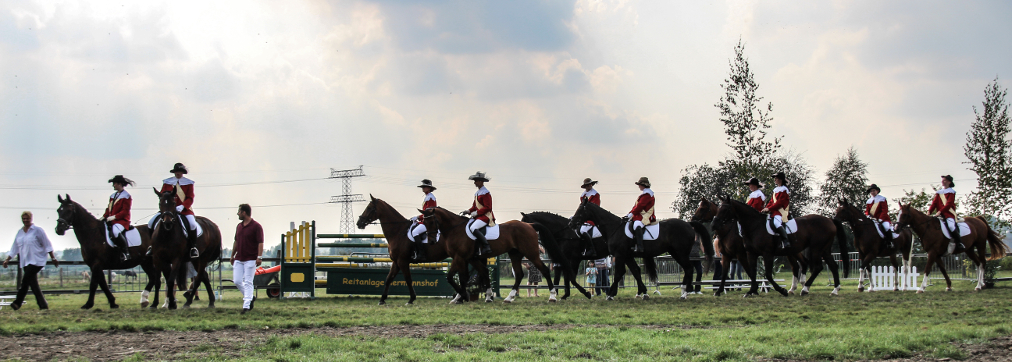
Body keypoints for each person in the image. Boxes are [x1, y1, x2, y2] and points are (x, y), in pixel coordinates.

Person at [3, 211, 59, 310]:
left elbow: (47, 244)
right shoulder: (20, 232)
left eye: (27, 218)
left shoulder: (38, 230)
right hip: (25, 261)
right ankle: (43, 305)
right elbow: (14, 248)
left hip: (37, 260)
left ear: (31, 219)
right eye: (24, 219)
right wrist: (7, 259)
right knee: (33, 284)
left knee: (25, 281)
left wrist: (53, 257)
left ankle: (17, 302)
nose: (25, 220)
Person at [149, 163, 199, 258]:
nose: (178, 173)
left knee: (192, 224)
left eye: (180, 172)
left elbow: (190, 198)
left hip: (184, 210)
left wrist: (182, 206)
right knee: (151, 223)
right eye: (176, 172)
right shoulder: (167, 182)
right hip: (168, 210)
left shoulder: (189, 183)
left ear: (182, 172)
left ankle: (193, 247)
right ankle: (152, 246)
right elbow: (163, 196)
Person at [230, 204, 263, 315]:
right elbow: (236, 241)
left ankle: (246, 306)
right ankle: (250, 297)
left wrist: (259, 257)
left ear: (244, 212)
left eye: (239, 212)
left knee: (248, 281)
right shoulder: (239, 226)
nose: (238, 214)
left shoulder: (256, 226)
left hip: (251, 258)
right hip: (239, 258)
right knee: (237, 281)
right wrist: (232, 255)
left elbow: (260, 242)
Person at [103, 175, 135, 262]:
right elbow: (109, 209)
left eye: (114, 184)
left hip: (122, 221)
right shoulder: (113, 196)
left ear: (120, 184)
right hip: (111, 220)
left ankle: (126, 252)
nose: (113, 185)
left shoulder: (126, 196)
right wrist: (103, 216)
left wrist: (114, 217)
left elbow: (125, 211)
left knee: (116, 232)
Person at [928, 175, 963, 255]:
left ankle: (959, 242)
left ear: (949, 182)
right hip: (939, 214)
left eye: (944, 180)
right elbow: (934, 203)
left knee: (951, 226)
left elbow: (949, 204)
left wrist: (940, 211)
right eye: (942, 180)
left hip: (948, 214)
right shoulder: (939, 192)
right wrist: (929, 211)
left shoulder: (951, 192)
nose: (943, 181)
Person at [462, 171, 493, 256]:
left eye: (476, 181)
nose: (475, 183)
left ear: (481, 181)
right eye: (474, 181)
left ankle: (486, 246)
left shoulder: (486, 193)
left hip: (486, 216)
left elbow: (488, 207)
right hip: (479, 216)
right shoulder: (477, 193)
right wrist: (468, 211)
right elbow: (474, 206)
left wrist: (477, 213)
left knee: (473, 227)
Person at [762, 172, 791, 251]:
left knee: (776, 223)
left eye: (776, 178)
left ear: (780, 180)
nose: (775, 180)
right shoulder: (775, 190)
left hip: (781, 211)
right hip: (774, 211)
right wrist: (766, 208)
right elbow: (771, 201)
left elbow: (780, 203)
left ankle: (785, 241)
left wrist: (769, 209)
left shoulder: (784, 190)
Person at [411, 179, 438, 261]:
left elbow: (428, 213)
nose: (423, 188)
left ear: (429, 188)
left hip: (428, 222)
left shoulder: (430, 198)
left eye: (424, 187)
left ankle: (421, 254)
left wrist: (419, 217)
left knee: (414, 232)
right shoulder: (428, 197)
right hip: (425, 220)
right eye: (423, 187)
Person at [627, 177, 656, 253]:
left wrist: (632, 214)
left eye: (639, 185)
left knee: (637, 225)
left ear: (643, 185)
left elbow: (640, 206)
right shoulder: (643, 194)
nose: (638, 186)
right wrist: (629, 214)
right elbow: (636, 206)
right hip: (639, 214)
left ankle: (640, 247)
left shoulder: (647, 194)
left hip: (646, 215)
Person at [864, 184, 894, 249]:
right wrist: (868, 215)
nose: (872, 192)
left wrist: (881, 219)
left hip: (883, 219)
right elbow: (867, 211)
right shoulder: (869, 201)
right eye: (871, 191)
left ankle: (889, 242)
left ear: (877, 191)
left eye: (874, 190)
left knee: (886, 227)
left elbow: (884, 210)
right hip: (872, 219)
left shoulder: (882, 199)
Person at [577, 178, 601, 257]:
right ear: (585, 186)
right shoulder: (583, 195)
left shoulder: (595, 195)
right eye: (588, 185)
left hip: (591, 217)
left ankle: (591, 249)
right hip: (584, 216)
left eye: (590, 184)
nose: (589, 186)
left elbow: (594, 207)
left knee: (583, 230)